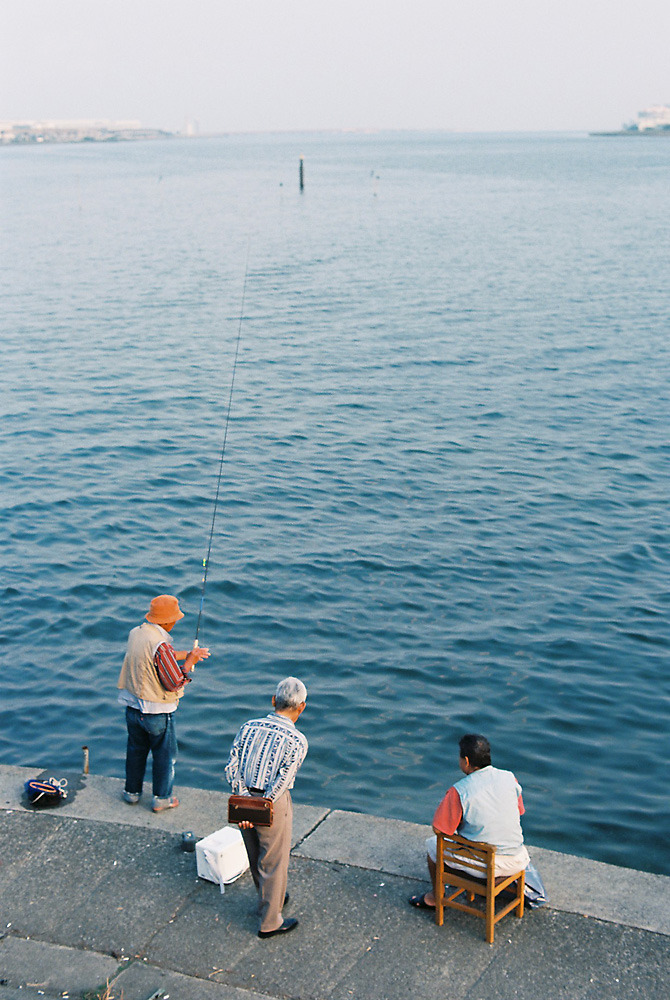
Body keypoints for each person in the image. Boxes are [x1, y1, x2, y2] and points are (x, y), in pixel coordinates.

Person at [410, 733, 546, 909]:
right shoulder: (509, 778)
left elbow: (439, 830)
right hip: (518, 859)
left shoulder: (460, 791)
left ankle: (435, 898)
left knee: (432, 847)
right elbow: (519, 811)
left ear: (466, 761)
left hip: (490, 867)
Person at [225, 677, 308, 939]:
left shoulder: (248, 727)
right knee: (274, 860)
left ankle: (268, 899)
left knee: (254, 855)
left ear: (274, 701)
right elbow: (282, 781)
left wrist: (244, 801)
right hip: (272, 803)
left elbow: (232, 766)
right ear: (301, 707)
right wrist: (260, 806)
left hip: (242, 797)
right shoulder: (297, 740)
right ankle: (270, 921)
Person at [117, 594, 210, 812]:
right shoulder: (160, 644)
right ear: (167, 621)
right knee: (164, 755)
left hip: (133, 707)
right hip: (156, 712)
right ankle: (161, 798)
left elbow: (155, 657)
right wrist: (189, 663)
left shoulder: (136, 633)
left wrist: (188, 653)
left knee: (136, 750)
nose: (176, 622)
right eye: (175, 619)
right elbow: (174, 683)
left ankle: (131, 793)